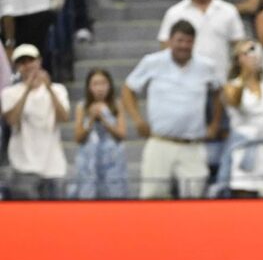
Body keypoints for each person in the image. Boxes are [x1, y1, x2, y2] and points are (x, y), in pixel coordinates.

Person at [123, 20, 224, 200]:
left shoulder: (206, 66)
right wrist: (137, 119)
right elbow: (128, 89)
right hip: (161, 141)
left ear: (194, 42)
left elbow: (217, 92)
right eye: (180, 41)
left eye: (188, 41)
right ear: (170, 41)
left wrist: (215, 123)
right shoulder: (152, 62)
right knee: (153, 196)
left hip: (193, 143)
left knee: (196, 196)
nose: (184, 46)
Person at [219, 40, 263, 197]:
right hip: (244, 152)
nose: (253, 56)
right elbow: (235, 101)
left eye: (255, 51)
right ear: (238, 59)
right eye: (247, 52)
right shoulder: (231, 86)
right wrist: (245, 75)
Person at [2, 44, 69, 199]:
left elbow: (64, 117)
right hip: (23, 167)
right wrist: (27, 90)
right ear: (17, 67)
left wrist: (49, 88)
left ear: (39, 61)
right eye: (22, 62)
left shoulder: (58, 89)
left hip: (54, 167)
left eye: (30, 60)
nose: (27, 65)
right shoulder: (9, 93)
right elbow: (12, 120)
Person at [157, 0, 247, 79]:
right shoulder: (175, 13)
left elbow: (239, 45)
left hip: (220, 79)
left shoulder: (229, 11)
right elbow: (165, 46)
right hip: (185, 81)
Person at [71, 69, 129, 199]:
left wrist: (104, 120)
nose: (100, 88)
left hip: (112, 160)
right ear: (89, 87)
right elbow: (78, 137)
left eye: (103, 83)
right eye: (95, 84)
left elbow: (121, 134)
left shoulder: (117, 105)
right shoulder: (82, 106)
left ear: (109, 85)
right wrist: (91, 119)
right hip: (89, 159)